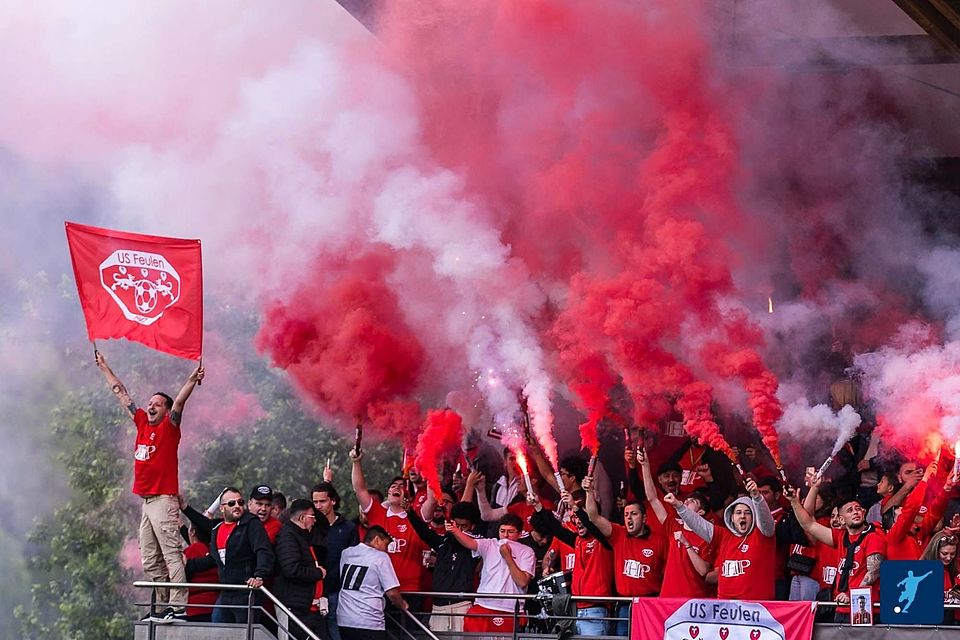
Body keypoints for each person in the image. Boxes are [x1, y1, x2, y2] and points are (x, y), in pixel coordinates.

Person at [95, 352, 203, 622]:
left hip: (164, 499)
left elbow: (180, 401)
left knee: (171, 553)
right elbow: (122, 394)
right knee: (150, 559)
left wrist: (192, 378)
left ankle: (178, 606)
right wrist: (105, 367)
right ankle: (165, 604)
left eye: (157, 404)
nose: (151, 406)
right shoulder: (142, 421)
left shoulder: (170, 427)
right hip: (147, 502)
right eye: (150, 402)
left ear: (165, 410)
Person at [349, 448, 434, 617]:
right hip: (380, 588)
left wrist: (431, 469)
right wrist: (356, 461)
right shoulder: (377, 513)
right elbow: (360, 489)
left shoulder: (417, 517)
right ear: (388, 492)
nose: (397, 488)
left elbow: (432, 500)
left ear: (409, 494)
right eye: (393, 486)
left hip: (411, 590)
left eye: (402, 486)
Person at [583, 472, 665, 636]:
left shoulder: (659, 540)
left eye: (634, 514)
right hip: (623, 606)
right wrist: (589, 492)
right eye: (626, 514)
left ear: (645, 518)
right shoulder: (619, 534)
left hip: (649, 603)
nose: (629, 518)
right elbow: (593, 516)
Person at [668, 477, 777, 600]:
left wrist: (757, 497)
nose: (742, 516)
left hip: (754, 609)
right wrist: (679, 506)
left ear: (754, 517)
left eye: (747, 513)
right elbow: (699, 524)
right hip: (725, 608)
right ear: (731, 517)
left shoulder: (763, 535)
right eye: (738, 512)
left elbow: (766, 520)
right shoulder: (724, 535)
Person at [788, 489, 886, 622]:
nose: (856, 512)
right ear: (841, 519)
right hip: (841, 606)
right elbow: (808, 525)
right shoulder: (840, 537)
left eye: (858, 509)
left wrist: (851, 595)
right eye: (850, 510)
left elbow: (873, 572)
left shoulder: (873, 536)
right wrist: (794, 502)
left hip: (864, 606)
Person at [185, 487, 275, 624]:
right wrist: (188, 563)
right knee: (217, 631)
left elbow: (264, 550)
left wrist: (259, 575)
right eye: (232, 503)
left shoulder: (251, 524)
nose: (237, 506)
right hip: (225, 593)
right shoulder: (217, 529)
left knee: (244, 633)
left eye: (240, 502)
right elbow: (214, 559)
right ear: (222, 508)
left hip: (246, 593)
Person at [531, 488, 614, 637]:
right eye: (575, 518)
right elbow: (555, 528)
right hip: (575, 609)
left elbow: (593, 525)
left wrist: (575, 507)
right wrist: (538, 506)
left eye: (580, 517)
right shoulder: (578, 541)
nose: (577, 521)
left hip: (596, 611)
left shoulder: (604, 539)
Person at [449, 513, 536, 635]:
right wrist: (455, 531)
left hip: (510, 608)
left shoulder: (527, 551)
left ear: (520, 534)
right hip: (483, 604)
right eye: (502, 531)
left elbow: (522, 582)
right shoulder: (490, 544)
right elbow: (470, 543)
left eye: (510, 532)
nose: (505, 535)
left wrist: (508, 557)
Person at [406, 499, 482, 633]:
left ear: (473, 526)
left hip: (462, 606)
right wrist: (410, 512)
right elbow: (424, 532)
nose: (458, 530)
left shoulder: (477, 545)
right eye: (456, 525)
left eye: (463, 526)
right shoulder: (444, 542)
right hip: (438, 606)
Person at [337, 526, 409, 640]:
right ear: (377, 540)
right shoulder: (380, 557)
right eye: (385, 545)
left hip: (344, 618)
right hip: (369, 619)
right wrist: (402, 604)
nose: (385, 550)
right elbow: (392, 593)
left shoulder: (346, 553)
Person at [311, 481, 359, 640]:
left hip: (339, 590)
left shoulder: (348, 527)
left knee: (336, 627)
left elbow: (354, 559)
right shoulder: (311, 526)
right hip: (314, 588)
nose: (318, 506)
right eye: (315, 502)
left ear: (333, 501)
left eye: (322, 501)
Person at [274, 499, 326, 639]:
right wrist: (318, 572)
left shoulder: (301, 536)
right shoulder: (288, 536)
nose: (314, 521)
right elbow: (291, 569)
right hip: (295, 607)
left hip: (307, 607)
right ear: (302, 518)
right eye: (312, 517)